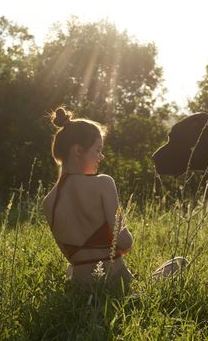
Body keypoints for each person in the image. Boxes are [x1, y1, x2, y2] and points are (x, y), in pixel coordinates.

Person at [42, 107, 134, 287]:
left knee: (71, 269)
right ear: (77, 150)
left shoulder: (49, 202)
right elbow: (124, 241)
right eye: (97, 150)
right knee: (179, 262)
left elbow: (72, 257)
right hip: (115, 282)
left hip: (80, 288)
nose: (102, 156)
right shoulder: (103, 184)